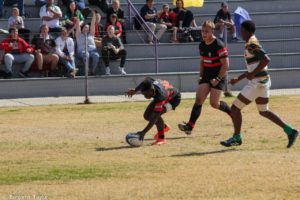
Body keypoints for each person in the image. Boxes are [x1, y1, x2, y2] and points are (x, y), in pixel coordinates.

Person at [220, 20, 299, 148]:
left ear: (246, 31)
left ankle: (236, 137)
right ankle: (291, 131)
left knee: (235, 108)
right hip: (264, 82)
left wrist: (251, 74)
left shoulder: (251, 44)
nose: (241, 33)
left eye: (242, 30)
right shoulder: (252, 41)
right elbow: (254, 67)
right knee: (264, 111)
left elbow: (266, 59)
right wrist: (239, 79)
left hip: (257, 83)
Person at [178, 20, 232, 135]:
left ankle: (232, 113)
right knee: (199, 99)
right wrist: (201, 76)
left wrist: (217, 79)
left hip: (219, 76)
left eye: (206, 31)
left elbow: (226, 65)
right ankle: (189, 126)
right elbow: (202, 62)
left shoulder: (219, 45)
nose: (204, 33)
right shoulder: (202, 44)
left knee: (214, 104)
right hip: (207, 75)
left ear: (212, 31)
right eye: (202, 31)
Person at [125, 77, 181, 145]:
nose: (145, 96)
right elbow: (144, 82)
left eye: (146, 94)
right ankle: (164, 127)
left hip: (174, 99)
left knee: (154, 116)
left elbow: (154, 118)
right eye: (143, 94)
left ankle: (161, 138)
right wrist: (135, 90)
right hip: (163, 94)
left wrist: (143, 132)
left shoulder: (160, 96)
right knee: (146, 115)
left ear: (151, 90)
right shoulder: (149, 83)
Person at [75, 10, 100, 75]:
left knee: (96, 56)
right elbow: (77, 25)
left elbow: (93, 23)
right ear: (82, 28)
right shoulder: (79, 35)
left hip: (92, 51)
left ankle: (93, 70)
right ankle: (87, 70)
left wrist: (94, 14)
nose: (86, 29)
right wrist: (77, 15)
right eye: (85, 27)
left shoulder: (91, 34)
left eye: (88, 28)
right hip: (82, 52)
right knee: (86, 54)